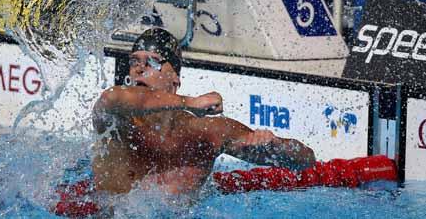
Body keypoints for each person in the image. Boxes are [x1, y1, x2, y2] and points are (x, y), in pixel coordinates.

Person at [92, 27, 316, 196]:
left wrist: (276, 146)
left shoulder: (207, 132)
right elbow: (111, 98)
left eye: (152, 61)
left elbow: (305, 161)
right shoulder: (117, 123)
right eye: (134, 62)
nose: (139, 68)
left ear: (175, 79)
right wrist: (189, 102)